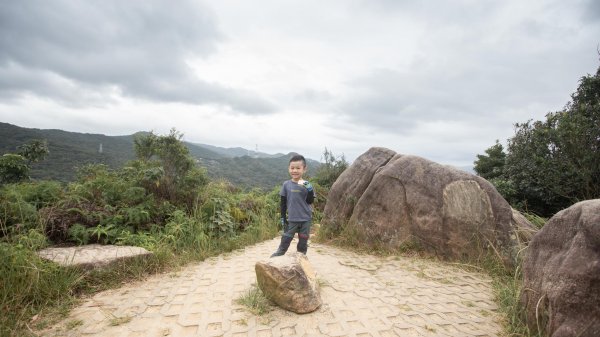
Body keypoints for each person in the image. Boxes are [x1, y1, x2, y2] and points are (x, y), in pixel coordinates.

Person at [270, 154, 315, 257]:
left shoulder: (307, 184)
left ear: (304, 169)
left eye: (298, 168)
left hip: (305, 219)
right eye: (292, 168)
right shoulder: (286, 184)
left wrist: (310, 191)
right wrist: (282, 217)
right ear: (288, 168)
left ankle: (301, 259)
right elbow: (283, 203)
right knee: (286, 239)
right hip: (292, 219)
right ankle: (278, 256)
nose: (295, 170)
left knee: (303, 243)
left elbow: (310, 201)